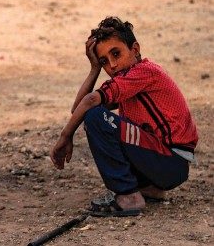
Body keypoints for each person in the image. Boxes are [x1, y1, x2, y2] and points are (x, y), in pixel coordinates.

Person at [50, 16, 198, 217]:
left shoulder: (144, 72)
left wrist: (64, 136)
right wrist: (94, 69)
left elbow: (90, 104)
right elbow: (79, 108)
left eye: (116, 54)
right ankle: (149, 189)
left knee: (95, 117)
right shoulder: (127, 82)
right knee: (92, 114)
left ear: (135, 50)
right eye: (104, 61)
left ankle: (129, 196)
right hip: (165, 164)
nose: (111, 65)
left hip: (171, 162)